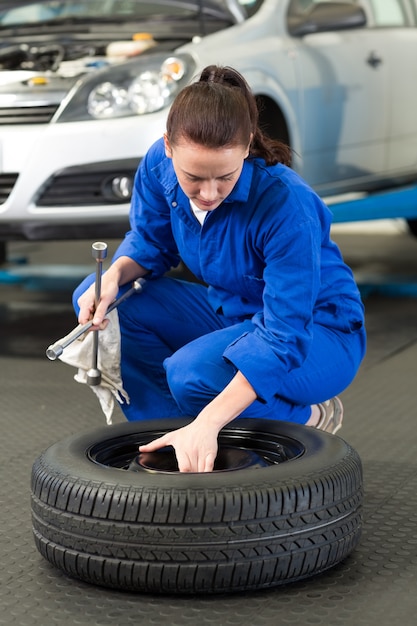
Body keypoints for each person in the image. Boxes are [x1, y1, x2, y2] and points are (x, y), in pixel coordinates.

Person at [74, 65, 366, 473]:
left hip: (317, 332)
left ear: (246, 146)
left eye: (224, 178)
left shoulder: (287, 206)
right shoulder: (159, 166)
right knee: (109, 302)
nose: (208, 193)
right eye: (193, 178)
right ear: (168, 147)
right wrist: (115, 276)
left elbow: (283, 334)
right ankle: (174, 444)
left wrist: (210, 419)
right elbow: (151, 243)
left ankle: (307, 421)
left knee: (193, 374)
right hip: (233, 314)